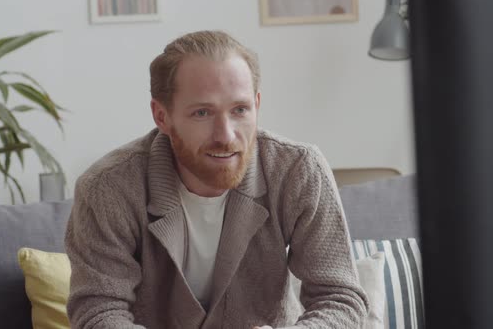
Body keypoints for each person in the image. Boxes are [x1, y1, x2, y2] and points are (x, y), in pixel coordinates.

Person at [65, 30, 369, 329]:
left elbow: (339, 298)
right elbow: (98, 312)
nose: (226, 136)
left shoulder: (298, 171)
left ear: (257, 105)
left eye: (240, 109)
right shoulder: (107, 189)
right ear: (162, 116)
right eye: (202, 113)